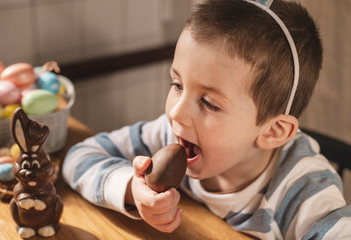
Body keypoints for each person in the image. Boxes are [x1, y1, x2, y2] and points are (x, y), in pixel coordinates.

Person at [62, 0, 351, 239]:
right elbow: (79, 156)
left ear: (273, 130)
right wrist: (130, 189)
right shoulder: (168, 135)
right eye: (177, 85)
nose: (175, 113)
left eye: (209, 103)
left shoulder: (305, 188)